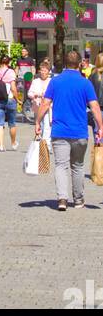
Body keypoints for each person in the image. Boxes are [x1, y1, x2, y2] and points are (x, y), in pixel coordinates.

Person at [36, 49, 103, 211]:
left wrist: (37, 122)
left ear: (65, 63)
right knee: (78, 166)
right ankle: (78, 200)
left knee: (60, 165)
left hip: (59, 131)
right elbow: (94, 107)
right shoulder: (84, 82)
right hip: (79, 132)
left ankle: (62, 199)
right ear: (79, 64)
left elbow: (45, 103)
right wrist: (100, 127)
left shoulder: (55, 82)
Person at [0, 54, 19, 151]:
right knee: (12, 123)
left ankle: (1, 145)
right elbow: (13, 88)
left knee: (0, 124)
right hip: (9, 99)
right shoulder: (10, 72)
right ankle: (13, 143)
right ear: (8, 62)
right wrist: (17, 99)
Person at [27, 60, 53, 140]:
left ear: (48, 72)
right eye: (41, 70)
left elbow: (55, 94)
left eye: (45, 71)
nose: (43, 72)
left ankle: (46, 145)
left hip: (48, 107)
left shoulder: (51, 81)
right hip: (37, 107)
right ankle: (41, 145)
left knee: (47, 126)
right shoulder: (35, 81)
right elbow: (29, 93)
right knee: (39, 126)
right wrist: (35, 95)